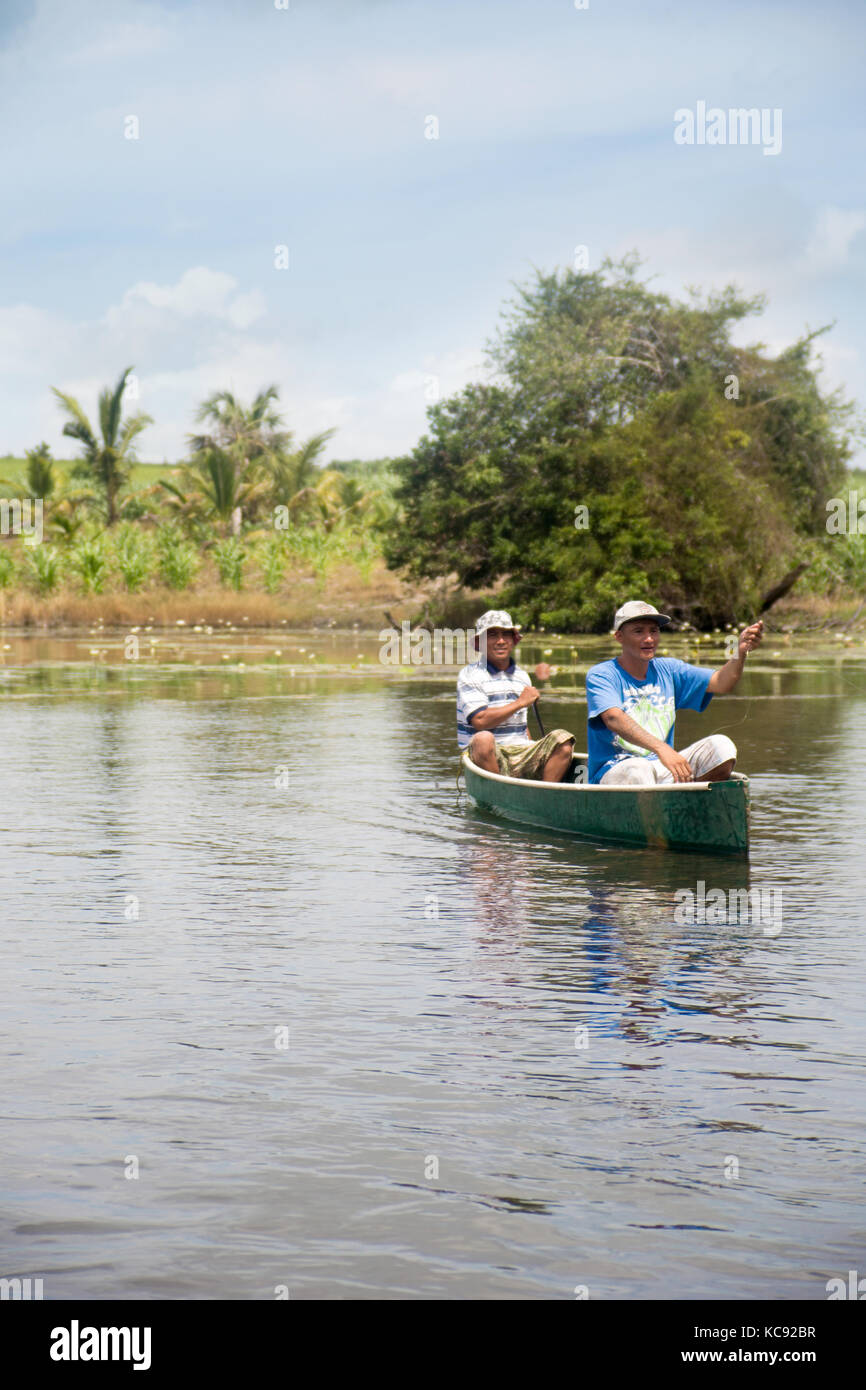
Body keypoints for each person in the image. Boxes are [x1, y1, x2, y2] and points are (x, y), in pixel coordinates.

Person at [585, 600, 763, 786]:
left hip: (662, 768)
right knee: (638, 768)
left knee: (722, 747)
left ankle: (688, 804)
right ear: (619, 637)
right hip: (616, 769)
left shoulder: (669, 670)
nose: (649, 639)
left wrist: (739, 650)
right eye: (639, 631)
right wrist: (663, 749)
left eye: (654, 631)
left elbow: (721, 682)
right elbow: (613, 718)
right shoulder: (602, 674)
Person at [458, 610, 575, 782]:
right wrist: (520, 703)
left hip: (520, 751)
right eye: (492, 635)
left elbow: (521, 725)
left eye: (506, 634)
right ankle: (499, 791)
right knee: (484, 739)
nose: (500, 641)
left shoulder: (522, 677)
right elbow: (480, 721)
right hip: (489, 753)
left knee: (563, 740)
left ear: (513, 641)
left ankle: (542, 794)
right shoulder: (470, 675)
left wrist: (534, 748)